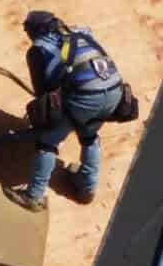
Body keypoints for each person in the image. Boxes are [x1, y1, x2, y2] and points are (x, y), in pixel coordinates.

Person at [9, 11, 125, 211]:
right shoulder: (81, 32)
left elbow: (43, 93)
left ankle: (33, 196)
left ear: (34, 31)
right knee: (88, 133)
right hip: (116, 92)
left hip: (87, 95)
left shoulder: (38, 49)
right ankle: (86, 186)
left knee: (47, 140)